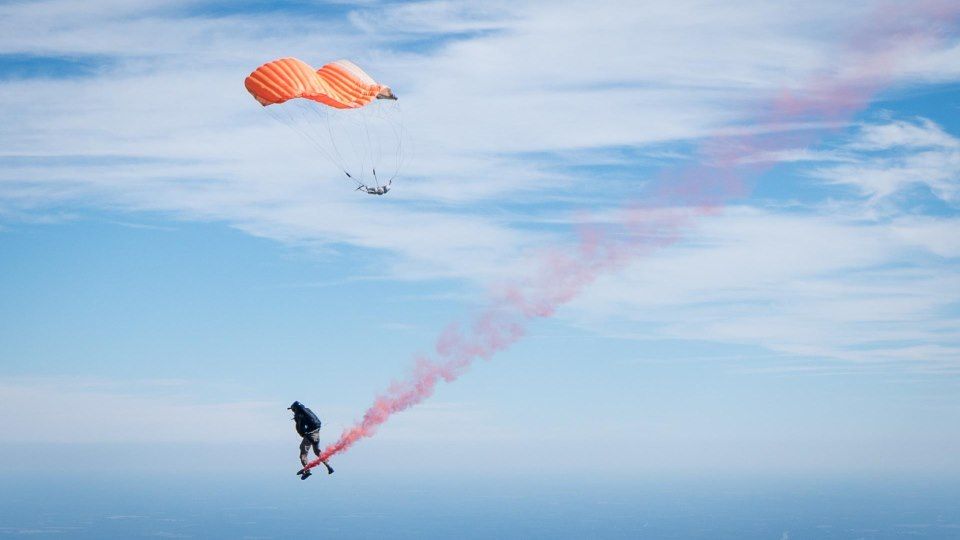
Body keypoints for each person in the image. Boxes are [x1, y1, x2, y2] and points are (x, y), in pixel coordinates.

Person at [289, 401, 334, 479]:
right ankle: (329, 467)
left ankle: (307, 471)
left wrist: (302, 431)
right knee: (317, 452)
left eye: (293, 410)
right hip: (316, 433)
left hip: (309, 435)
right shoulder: (308, 410)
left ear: (295, 409)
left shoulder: (299, 416)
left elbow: (300, 429)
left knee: (303, 454)